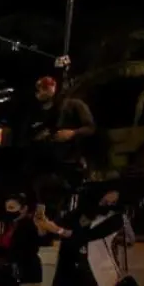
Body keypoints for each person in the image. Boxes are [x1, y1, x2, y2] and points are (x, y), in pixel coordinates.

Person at [26, 75, 96, 214]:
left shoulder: (73, 105)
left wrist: (72, 133)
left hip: (71, 164)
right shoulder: (36, 113)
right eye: (39, 88)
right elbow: (27, 137)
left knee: (70, 207)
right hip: (45, 167)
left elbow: (91, 128)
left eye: (45, 87)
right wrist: (38, 137)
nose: (41, 91)